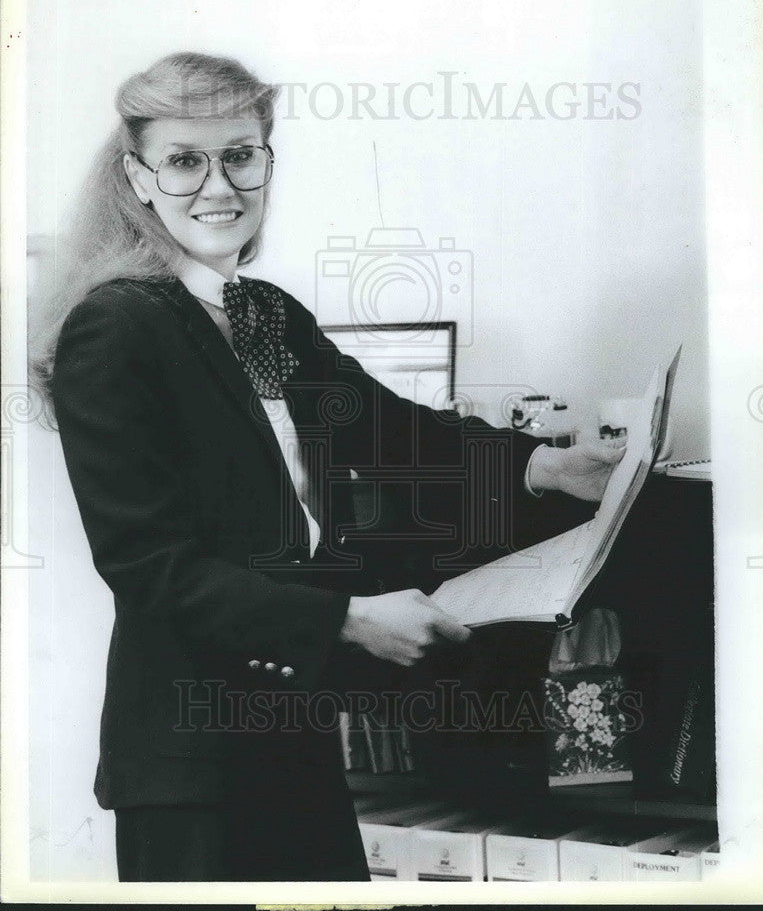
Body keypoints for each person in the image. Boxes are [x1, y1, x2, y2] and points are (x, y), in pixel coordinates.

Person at [30, 52, 625, 882]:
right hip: (192, 761)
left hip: (290, 727)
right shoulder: (119, 326)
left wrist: (548, 470)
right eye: (185, 160)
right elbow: (147, 566)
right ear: (138, 177)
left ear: (267, 161)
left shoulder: (261, 312)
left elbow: (396, 436)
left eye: (241, 154)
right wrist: (345, 619)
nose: (219, 186)